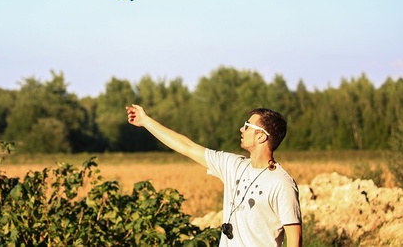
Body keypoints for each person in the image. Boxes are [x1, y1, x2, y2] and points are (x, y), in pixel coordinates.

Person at [126, 104, 302, 247]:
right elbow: (186, 146)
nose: (242, 129)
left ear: (262, 137)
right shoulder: (233, 165)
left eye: (248, 126)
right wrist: (145, 121)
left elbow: (294, 238)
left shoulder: (281, 183)